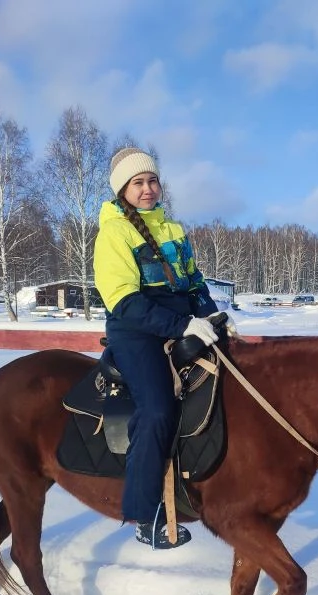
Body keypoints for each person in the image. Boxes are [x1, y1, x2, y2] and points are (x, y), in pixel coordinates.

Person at [93, 147, 220, 550]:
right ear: (122, 191)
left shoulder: (172, 229)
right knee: (157, 409)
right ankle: (143, 515)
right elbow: (124, 301)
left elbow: (194, 282)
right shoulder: (114, 233)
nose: (147, 189)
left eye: (152, 181)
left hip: (181, 323)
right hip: (136, 331)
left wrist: (213, 318)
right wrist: (182, 324)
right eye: (138, 183)